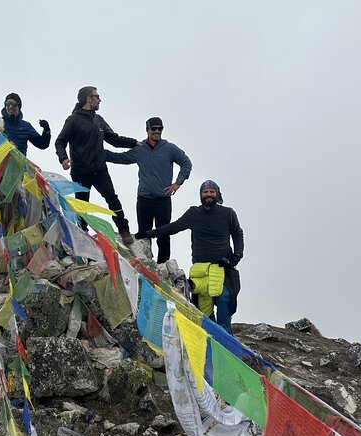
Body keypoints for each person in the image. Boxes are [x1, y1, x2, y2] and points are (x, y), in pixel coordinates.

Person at [140, 180, 244, 334]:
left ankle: (226, 338)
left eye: (211, 192)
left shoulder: (228, 213)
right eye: (205, 192)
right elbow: (173, 227)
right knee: (204, 309)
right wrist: (148, 233)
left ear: (217, 194)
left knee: (224, 300)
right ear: (201, 195)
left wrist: (236, 256)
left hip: (224, 268)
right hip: (200, 270)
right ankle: (211, 340)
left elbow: (237, 234)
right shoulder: (193, 213)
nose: (208, 195)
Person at [55, 86, 139, 244]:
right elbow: (60, 141)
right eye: (97, 96)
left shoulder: (98, 119)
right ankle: (82, 236)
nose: (99, 99)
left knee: (112, 199)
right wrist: (63, 158)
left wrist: (134, 143)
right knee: (82, 206)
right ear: (88, 99)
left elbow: (114, 139)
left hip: (100, 170)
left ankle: (124, 230)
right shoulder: (73, 120)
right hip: (80, 172)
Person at [105, 117, 192, 263]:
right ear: (148, 129)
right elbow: (120, 158)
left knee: (163, 233)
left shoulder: (169, 148)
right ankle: (146, 263)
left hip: (163, 199)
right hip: (144, 199)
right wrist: (98, 152)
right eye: (154, 128)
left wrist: (178, 183)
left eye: (160, 129)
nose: (157, 131)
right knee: (143, 234)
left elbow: (186, 163)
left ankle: (163, 265)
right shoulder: (140, 149)